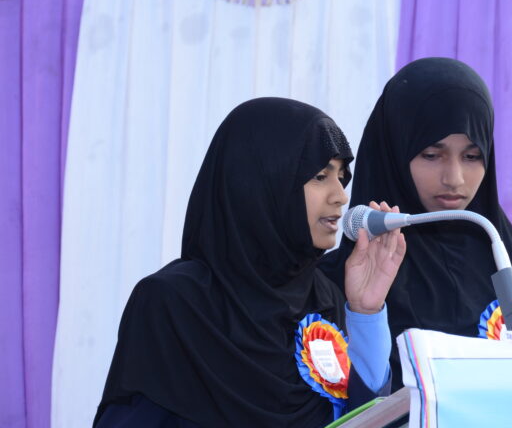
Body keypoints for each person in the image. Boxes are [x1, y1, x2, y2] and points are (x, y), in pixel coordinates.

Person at [94, 98, 406, 427]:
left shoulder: (324, 299)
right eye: (319, 176)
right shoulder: (174, 303)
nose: (341, 195)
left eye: (341, 176)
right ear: (260, 180)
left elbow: (364, 417)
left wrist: (366, 311)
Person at [320, 57, 512, 388]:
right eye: (431, 155)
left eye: (471, 156)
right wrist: (365, 312)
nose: (454, 179)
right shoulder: (332, 285)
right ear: (392, 152)